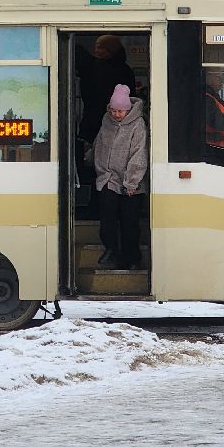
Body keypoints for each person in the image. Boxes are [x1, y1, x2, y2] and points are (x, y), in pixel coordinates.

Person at [92, 84, 147, 270]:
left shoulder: (138, 124)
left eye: (120, 111)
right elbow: (100, 143)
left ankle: (132, 258)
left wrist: (132, 181)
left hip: (132, 182)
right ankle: (111, 250)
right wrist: (92, 160)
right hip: (108, 178)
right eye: (113, 110)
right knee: (107, 216)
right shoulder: (105, 121)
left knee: (129, 221)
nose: (116, 114)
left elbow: (139, 153)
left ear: (128, 110)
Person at [75, 34, 135, 194]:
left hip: (97, 122)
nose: (97, 50)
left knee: (100, 166)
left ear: (111, 50)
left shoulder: (97, 68)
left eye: (101, 47)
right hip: (102, 122)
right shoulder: (123, 70)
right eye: (96, 47)